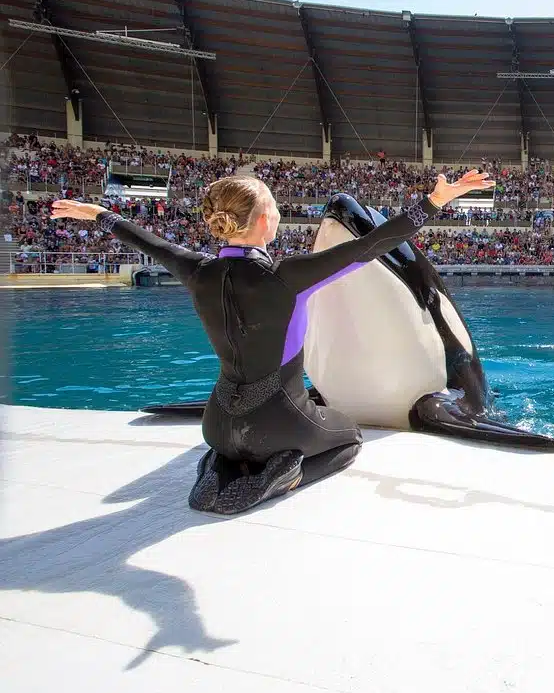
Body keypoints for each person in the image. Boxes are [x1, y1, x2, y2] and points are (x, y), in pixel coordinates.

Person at [51, 170, 494, 514]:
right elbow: (375, 244)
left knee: (250, 427)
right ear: (266, 221)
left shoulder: (196, 270)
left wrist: (95, 213)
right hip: (279, 425)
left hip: (217, 423)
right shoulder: (288, 277)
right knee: (348, 437)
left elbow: (144, 240)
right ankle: (286, 476)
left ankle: (221, 465)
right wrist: (437, 199)